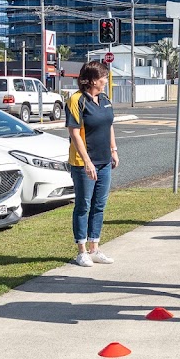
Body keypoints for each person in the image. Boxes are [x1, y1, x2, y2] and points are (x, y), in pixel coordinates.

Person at [66, 61, 118, 267]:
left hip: (105, 161)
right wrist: (87, 162)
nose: (106, 81)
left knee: (99, 205)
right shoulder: (77, 100)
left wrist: (114, 150)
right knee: (83, 205)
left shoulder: (104, 99)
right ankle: (81, 251)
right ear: (93, 80)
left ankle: (94, 248)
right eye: (103, 77)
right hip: (83, 163)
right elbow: (74, 133)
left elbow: (109, 125)